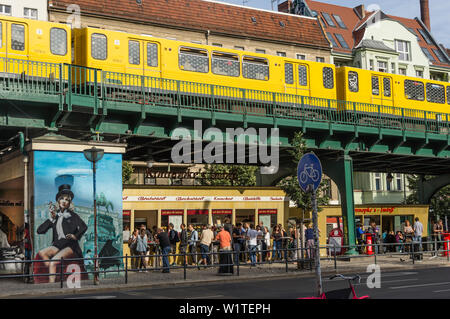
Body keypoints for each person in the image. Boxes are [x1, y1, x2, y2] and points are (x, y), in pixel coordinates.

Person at [36, 185, 87, 283]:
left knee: (53, 262)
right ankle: (55, 272)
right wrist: (51, 219)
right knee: (42, 254)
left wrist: (75, 236)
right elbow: (40, 230)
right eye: (62, 199)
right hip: (58, 245)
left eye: (67, 200)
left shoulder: (72, 215)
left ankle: (52, 285)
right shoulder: (55, 215)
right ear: (58, 201)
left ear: (69, 203)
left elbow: (84, 226)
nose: (64, 201)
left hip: (70, 245)